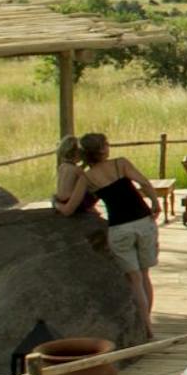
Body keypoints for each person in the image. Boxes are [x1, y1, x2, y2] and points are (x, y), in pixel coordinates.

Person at [53, 132, 160, 334]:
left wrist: (56, 204)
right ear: (103, 149)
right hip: (143, 221)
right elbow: (144, 183)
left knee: (135, 279)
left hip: (119, 228)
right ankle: (147, 321)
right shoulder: (121, 164)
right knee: (145, 275)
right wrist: (155, 202)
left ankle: (146, 327)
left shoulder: (87, 177)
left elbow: (68, 209)